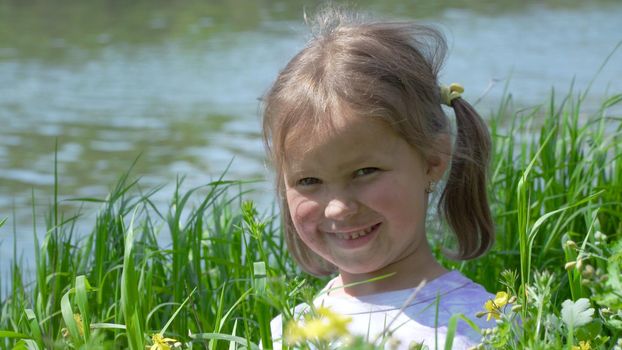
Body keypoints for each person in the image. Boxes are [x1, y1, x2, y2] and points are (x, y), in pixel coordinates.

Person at [261, 6, 497, 349]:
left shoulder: (482, 324)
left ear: (432, 160)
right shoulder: (292, 328)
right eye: (309, 181)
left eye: (364, 172)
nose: (338, 209)